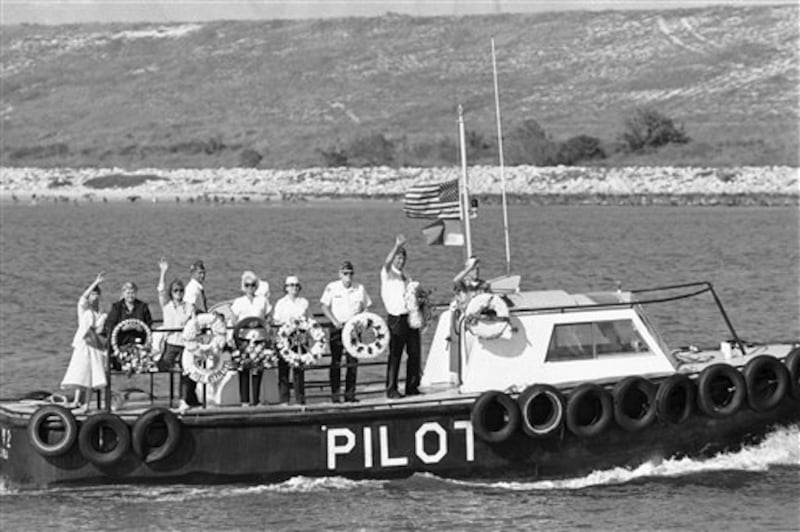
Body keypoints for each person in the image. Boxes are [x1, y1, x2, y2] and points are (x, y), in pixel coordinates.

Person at [320, 260, 372, 403]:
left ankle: (350, 394)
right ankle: (335, 394)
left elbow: (366, 307)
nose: (348, 276)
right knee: (336, 362)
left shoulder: (359, 288)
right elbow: (324, 306)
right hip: (337, 328)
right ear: (340, 274)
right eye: (345, 273)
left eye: (350, 273)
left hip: (353, 330)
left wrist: (361, 322)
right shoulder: (332, 287)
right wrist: (334, 321)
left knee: (352, 362)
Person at [155, 257, 200, 413]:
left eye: (181, 291)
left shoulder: (188, 306)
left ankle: (183, 399)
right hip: (171, 342)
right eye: (175, 291)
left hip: (185, 344)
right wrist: (163, 272)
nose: (178, 293)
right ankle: (161, 395)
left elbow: (193, 322)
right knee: (163, 366)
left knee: (185, 372)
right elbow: (160, 290)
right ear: (171, 292)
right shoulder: (167, 306)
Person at [381, 234, 422, 399]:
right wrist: (396, 246)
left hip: (410, 317)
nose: (400, 261)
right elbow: (386, 262)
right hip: (396, 318)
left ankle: (412, 386)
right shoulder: (387, 273)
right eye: (398, 258)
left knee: (414, 352)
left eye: (402, 258)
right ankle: (391, 388)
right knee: (395, 354)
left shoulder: (407, 276)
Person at [61, 272, 108, 413]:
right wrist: (95, 282)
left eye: (96, 294)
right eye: (92, 294)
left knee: (91, 375)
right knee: (79, 371)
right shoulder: (84, 310)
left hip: (94, 345)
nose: (94, 297)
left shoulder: (101, 313)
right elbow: (82, 299)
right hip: (83, 343)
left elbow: (100, 329)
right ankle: (76, 401)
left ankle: (86, 404)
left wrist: (102, 319)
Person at [230, 270, 272, 406]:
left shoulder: (262, 301)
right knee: (243, 368)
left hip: (259, 338)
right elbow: (233, 318)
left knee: (257, 369)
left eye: (253, 285)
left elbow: (268, 316)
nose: (250, 288)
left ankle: (256, 399)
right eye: (247, 285)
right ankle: (244, 400)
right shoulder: (239, 302)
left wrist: (266, 326)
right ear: (243, 286)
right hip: (243, 339)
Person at [272, 275, 309, 404]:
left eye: (296, 285)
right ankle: (284, 400)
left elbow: (308, 320)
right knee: (283, 370)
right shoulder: (280, 303)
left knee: (299, 369)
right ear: (286, 288)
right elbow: (276, 321)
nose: (294, 288)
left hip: (300, 339)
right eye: (291, 285)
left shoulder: (304, 302)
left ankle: (300, 399)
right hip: (285, 339)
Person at [103, 280, 153, 370]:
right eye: (128, 293)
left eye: (132, 293)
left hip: (138, 341)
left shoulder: (143, 307)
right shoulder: (117, 307)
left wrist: (140, 328)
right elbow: (109, 324)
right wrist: (122, 329)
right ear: (123, 293)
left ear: (136, 293)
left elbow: (148, 324)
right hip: (121, 341)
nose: (130, 295)